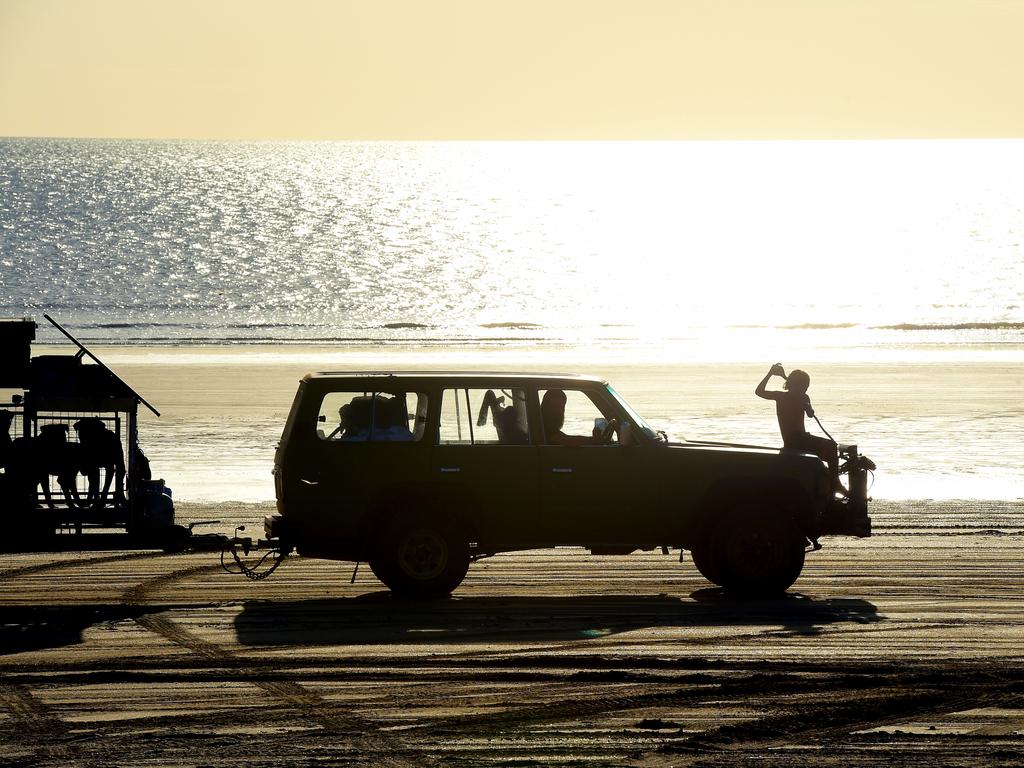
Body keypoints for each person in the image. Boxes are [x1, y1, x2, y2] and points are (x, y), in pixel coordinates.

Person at [755, 364, 845, 496]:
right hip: (793, 440)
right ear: (792, 385)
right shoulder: (781, 397)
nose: (804, 389)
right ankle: (835, 484)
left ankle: (829, 484)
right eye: (802, 386)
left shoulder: (804, 397)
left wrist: (809, 408)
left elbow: (809, 413)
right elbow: (759, 391)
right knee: (831, 446)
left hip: (803, 437)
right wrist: (770, 374)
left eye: (806, 387)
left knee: (832, 449)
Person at [540, 389, 612, 446]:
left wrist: (594, 440)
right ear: (545, 407)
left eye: (561, 407)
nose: (558, 411)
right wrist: (595, 441)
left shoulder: (544, 426)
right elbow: (567, 440)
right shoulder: (542, 426)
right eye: (554, 407)